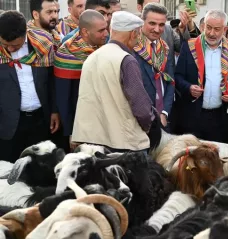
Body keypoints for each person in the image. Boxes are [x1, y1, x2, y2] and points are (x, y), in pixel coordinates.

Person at [72, 11, 159, 152]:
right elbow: (141, 108)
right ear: (133, 34)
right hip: (124, 146)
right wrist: (149, 126)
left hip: (91, 144)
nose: (138, 40)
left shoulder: (92, 57)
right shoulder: (126, 60)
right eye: (138, 35)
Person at [174, 9, 228, 142]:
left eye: (217, 29)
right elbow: (177, 76)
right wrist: (188, 88)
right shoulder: (189, 47)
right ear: (203, 26)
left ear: (225, 29)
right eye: (208, 28)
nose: (211, 33)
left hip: (219, 117)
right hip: (191, 115)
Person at [0, 10, 59, 162]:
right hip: (7, 123)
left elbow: (52, 80)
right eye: (5, 45)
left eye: (15, 45)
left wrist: (54, 110)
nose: (10, 50)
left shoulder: (43, 43)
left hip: (40, 119)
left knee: (39, 169)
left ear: (25, 32)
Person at [54, 10, 108, 151]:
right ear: (85, 32)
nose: (106, 34)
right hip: (80, 128)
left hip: (103, 123)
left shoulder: (105, 49)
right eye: (101, 30)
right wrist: (72, 132)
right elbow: (63, 99)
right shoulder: (66, 53)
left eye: (106, 28)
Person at [133, 3, 174, 132]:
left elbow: (170, 81)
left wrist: (165, 112)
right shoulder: (132, 48)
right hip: (139, 120)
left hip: (162, 119)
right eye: (152, 23)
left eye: (161, 25)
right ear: (142, 21)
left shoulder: (165, 48)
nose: (157, 29)